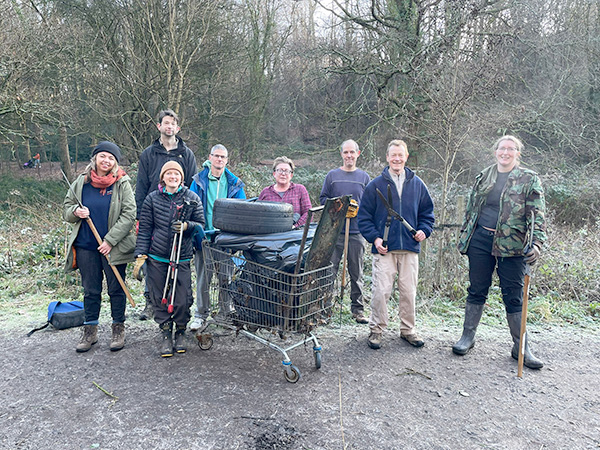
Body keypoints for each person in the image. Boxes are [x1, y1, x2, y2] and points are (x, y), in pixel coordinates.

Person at [453, 135, 546, 369]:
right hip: (480, 241)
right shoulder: (484, 176)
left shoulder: (529, 178)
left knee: (514, 296)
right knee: (477, 289)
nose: (505, 152)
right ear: (495, 152)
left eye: (510, 149)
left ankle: (521, 347)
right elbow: (472, 209)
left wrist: (536, 244)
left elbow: (537, 217)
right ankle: (467, 337)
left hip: (512, 246)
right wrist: (467, 234)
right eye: (501, 149)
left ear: (517, 153)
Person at [358, 139, 434, 350]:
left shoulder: (418, 184)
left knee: (409, 291)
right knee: (381, 291)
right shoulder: (375, 185)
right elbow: (363, 217)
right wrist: (375, 238)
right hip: (385, 250)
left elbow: (428, 213)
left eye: (401, 155)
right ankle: (376, 330)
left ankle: (408, 330)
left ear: (406, 157)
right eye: (393, 155)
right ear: (387, 157)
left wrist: (424, 231)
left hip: (410, 248)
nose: (397, 159)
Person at [63, 141, 136, 353]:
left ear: (115, 162)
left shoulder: (121, 183)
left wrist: (110, 241)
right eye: (103, 156)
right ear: (94, 158)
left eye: (111, 158)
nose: (106, 160)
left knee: (116, 288)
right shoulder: (80, 183)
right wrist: (76, 212)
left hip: (114, 247)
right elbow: (66, 209)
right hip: (86, 246)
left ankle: (118, 329)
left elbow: (129, 214)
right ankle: (90, 331)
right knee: (91, 290)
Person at [134, 161, 205, 357]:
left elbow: (200, 224)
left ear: (182, 178)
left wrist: (186, 226)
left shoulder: (192, 197)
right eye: (169, 174)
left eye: (176, 174)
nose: (173, 177)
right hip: (157, 256)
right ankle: (166, 333)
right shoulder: (152, 199)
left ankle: (180, 331)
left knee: (182, 298)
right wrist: (141, 254)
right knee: (160, 297)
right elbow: (145, 228)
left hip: (181, 256)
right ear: (163, 177)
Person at [135, 109, 198, 320]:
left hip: (179, 212)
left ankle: (176, 304)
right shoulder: (149, 153)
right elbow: (141, 185)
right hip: (153, 211)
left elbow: (191, 184)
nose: (169, 127)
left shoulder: (186, 154)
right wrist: (139, 215)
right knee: (153, 260)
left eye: (173, 124)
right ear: (159, 126)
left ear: (177, 128)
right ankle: (150, 301)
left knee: (178, 263)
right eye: (165, 123)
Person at [188, 144, 246, 331]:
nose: (220, 159)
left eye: (223, 157)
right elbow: (191, 208)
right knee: (204, 279)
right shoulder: (198, 181)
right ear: (210, 157)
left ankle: (224, 313)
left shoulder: (235, 183)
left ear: (227, 160)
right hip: (204, 239)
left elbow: (242, 211)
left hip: (226, 240)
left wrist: (237, 238)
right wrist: (197, 233)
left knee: (226, 278)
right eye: (217, 156)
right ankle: (201, 315)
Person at [319, 139, 371, 324]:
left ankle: (358, 310)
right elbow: (323, 199)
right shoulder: (332, 176)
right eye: (346, 152)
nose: (349, 155)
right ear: (341, 154)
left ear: (358, 154)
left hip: (356, 232)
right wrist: (337, 206)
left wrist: (358, 208)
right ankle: (325, 310)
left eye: (352, 152)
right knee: (328, 271)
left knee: (356, 273)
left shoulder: (364, 178)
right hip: (334, 232)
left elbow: (370, 203)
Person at [258, 156, 312, 228]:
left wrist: (295, 226)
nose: (283, 174)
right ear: (274, 174)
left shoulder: (300, 189)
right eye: (280, 170)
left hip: (295, 234)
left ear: (291, 175)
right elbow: (258, 215)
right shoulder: (265, 192)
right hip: (270, 234)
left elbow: (308, 213)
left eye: (286, 171)